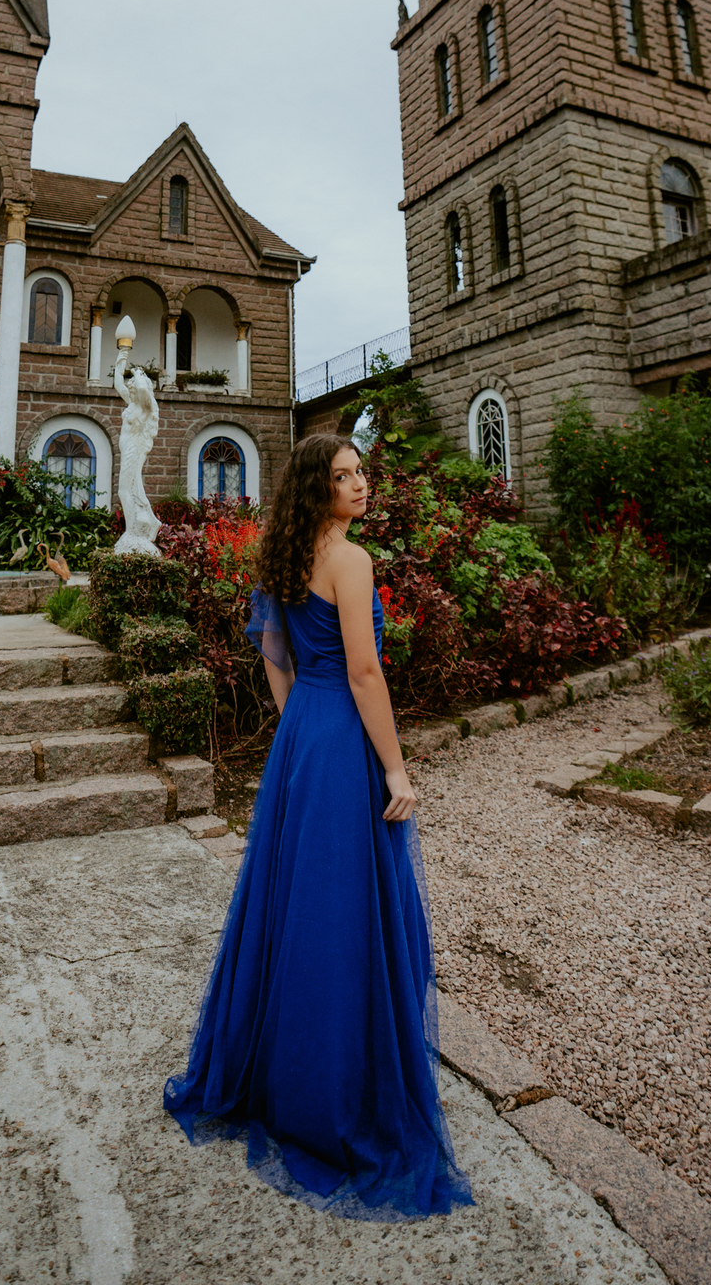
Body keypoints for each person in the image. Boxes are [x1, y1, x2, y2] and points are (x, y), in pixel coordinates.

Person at [164, 433, 473, 1222]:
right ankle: (335, 1090)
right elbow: (367, 671)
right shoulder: (352, 559)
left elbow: (272, 651)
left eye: (362, 471)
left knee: (292, 901)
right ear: (318, 488)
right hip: (341, 737)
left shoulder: (285, 555)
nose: (361, 484)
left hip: (304, 733)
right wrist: (397, 770)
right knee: (343, 910)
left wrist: (295, 715)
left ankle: (274, 1073)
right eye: (344, 476)